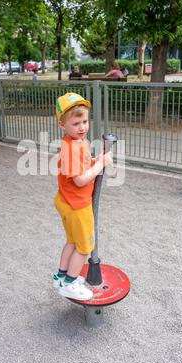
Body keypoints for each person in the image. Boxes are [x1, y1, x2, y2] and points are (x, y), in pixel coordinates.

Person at [53, 92, 113, 301]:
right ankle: (70, 283)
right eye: (76, 123)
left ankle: (61, 277)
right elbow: (80, 180)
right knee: (84, 247)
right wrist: (99, 165)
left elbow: (84, 164)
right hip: (77, 206)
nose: (82, 127)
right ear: (62, 125)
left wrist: (96, 160)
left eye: (85, 121)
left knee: (71, 241)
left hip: (66, 201)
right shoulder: (70, 148)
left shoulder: (79, 141)